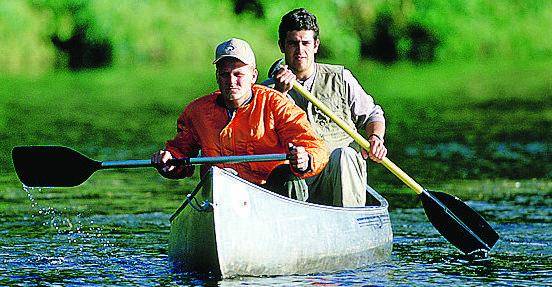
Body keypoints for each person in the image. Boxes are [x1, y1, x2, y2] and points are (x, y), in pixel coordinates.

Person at [152, 38, 328, 198]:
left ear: (254, 76)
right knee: (214, 181)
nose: (231, 81)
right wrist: (169, 162)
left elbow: (315, 147)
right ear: (217, 77)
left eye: (238, 74)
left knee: (288, 178)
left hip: (270, 195)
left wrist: (305, 159)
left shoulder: (276, 103)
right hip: (220, 197)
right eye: (224, 74)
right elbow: (179, 153)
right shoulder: (197, 112)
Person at [262, 8, 388, 207]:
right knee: (285, 174)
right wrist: (280, 94)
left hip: (338, 175)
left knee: (344, 155)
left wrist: (375, 138)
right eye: (293, 43)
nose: (300, 50)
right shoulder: (266, 91)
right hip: (297, 180)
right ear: (282, 46)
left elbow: (373, 115)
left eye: (305, 43)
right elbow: (258, 137)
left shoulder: (341, 78)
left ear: (316, 45)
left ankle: (349, 222)